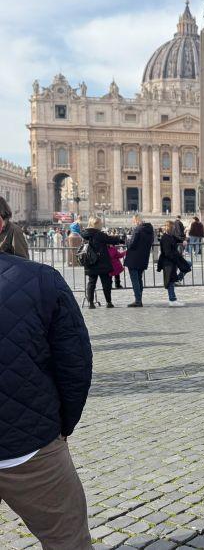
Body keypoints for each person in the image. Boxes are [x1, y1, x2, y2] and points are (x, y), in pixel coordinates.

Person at [0, 214, 93, 550]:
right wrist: (61, 425)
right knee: (66, 538)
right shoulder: (41, 280)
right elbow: (75, 367)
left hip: (29, 440)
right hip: (30, 445)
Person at [81, 216, 124, 308]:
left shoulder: (85, 234)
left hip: (90, 262)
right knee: (106, 283)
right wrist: (120, 239)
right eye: (100, 224)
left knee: (91, 283)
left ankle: (91, 303)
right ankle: (108, 302)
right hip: (101, 262)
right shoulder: (99, 234)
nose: (101, 225)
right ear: (96, 224)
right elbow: (111, 240)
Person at [156, 220, 190, 307]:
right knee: (170, 281)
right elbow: (167, 253)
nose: (174, 229)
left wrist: (184, 241)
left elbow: (178, 238)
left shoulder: (170, 236)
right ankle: (172, 299)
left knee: (188, 264)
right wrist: (176, 258)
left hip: (173, 260)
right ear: (170, 228)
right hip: (168, 262)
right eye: (173, 228)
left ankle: (178, 280)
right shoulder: (165, 238)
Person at [124, 214, 154, 307]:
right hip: (143, 257)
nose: (133, 222)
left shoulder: (137, 229)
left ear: (137, 220)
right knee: (139, 279)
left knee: (135, 280)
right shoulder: (150, 230)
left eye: (133, 220)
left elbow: (132, 243)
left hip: (134, 257)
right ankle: (139, 299)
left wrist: (126, 241)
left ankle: (138, 300)